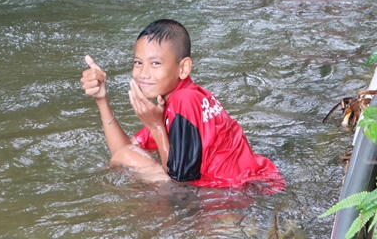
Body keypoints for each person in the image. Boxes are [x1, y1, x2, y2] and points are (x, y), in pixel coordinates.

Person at [80, 19, 284, 190]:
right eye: (138, 63)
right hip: (253, 184)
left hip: (240, 193)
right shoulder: (181, 99)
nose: (143, 73)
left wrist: (156, 127)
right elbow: (124, 150)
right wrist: (101, 99)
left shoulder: (184, 100)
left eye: (155, 63)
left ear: (183, 68)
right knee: (127, 155)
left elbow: (179, 178)